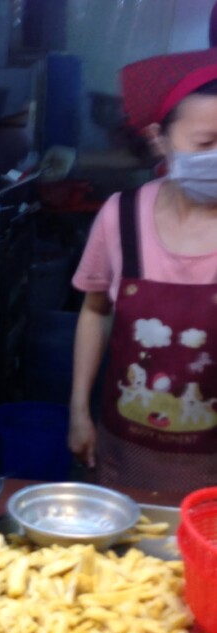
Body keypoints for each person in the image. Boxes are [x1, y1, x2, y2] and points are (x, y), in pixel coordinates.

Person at [68, 49, 217, 492]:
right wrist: (78, 410)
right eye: (206, 144)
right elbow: (96, 311)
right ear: (160, 139)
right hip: (125, 453)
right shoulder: (123, 217)